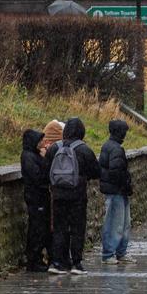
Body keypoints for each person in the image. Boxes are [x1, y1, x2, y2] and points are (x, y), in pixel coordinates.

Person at [45, 118, 100, 275]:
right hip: (77, 195)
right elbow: (96, 172)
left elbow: (46, 170)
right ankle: (76, 262)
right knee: (77, 228)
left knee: (59, 228)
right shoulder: (84, 150)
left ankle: (57, 262)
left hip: (58, 195)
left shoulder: (54, 148)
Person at [99, 120, 135, 264]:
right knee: (116, 224)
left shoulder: (109, 146)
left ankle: (120, 252)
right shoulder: (115, 149)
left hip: (116, 190)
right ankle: (109, 253)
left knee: (123, 223)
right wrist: (126, 184)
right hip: (117, 191)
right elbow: (116, 172)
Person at [21, 129, 50, 272]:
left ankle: (37, 256)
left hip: (40, 195)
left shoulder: (35, 155)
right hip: (36, 196)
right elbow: (37, 176)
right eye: (40, 140)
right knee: (36, 228)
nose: (43, 142)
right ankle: (33, 259)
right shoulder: (29, 157)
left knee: (41, 227)